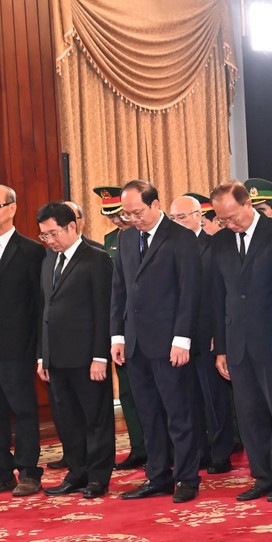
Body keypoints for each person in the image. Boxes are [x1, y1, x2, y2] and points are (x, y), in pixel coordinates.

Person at [111, 179, 202, 503]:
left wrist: (182, 339)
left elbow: (189, 292)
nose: (133, 219)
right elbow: (119, 290)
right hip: (136, 342)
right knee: (148, 414)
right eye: (128, 213)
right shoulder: (126, 239)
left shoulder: (180, 237)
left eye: (138, 212)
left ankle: (187, 478)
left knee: (178, 412)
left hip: (169, 342)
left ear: (155, 205)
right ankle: (158, 476)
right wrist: (118, 335)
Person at [210, 180, 272, 502]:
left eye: (233, 216)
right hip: (237, 342)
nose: (229, 224)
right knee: (249, 414)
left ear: (248, 204)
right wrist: (221, 348)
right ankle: (262, 476)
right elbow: (218, 297)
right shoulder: (220, 242)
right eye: (222, 219)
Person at [36, 202, 115, 499]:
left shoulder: (96, 258)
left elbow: (103, 311)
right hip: (56, 357)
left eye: (54, 233)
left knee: (96, 419)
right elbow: (44, 309)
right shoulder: (48, 260)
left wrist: (100, 356)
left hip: (87, 357)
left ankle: (98, 477)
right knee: (68, 420)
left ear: (72, 226)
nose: (50, 240)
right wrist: (42, 355)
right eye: (44, 235)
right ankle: (77, 473)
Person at [168, 194, 234, 474]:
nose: (177, 223)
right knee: (187, 397)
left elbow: (221, 295)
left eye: (182, 217)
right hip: (178, 336)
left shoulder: (214, 245)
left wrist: (219, 335)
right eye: (173, 218)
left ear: (199, 216)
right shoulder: (169, 246)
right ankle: (198, 451)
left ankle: (221, 452)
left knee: (214, 397)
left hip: (208, 333)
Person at [95, 186, 147, 470]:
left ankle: (163, 447)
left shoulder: (149, 236)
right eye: (112, 217)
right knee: (127, 391)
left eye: (120, 215)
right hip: (123, 326)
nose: (117, 221)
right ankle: (139, 447)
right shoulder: (111, 240)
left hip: (148, 325)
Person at [0, 184, 45, 496]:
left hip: (18, 347)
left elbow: (39, 305)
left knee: (24, 410)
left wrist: (40, 350)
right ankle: (3, 473)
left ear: (12, 208)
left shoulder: (30, 251)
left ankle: (29, 471)